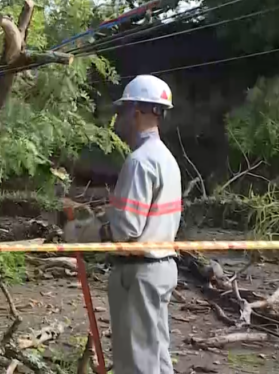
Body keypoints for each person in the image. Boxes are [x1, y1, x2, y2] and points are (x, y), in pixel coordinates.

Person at [105, 75, 182, 374]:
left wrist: (88, 232)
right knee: (157, 359)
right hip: (162, 269)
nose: (120, 119)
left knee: (137, 363)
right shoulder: (167, 159)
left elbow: (126, 229)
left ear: (136, 112)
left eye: (123, 111)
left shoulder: (139, 161)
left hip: (139, 275)